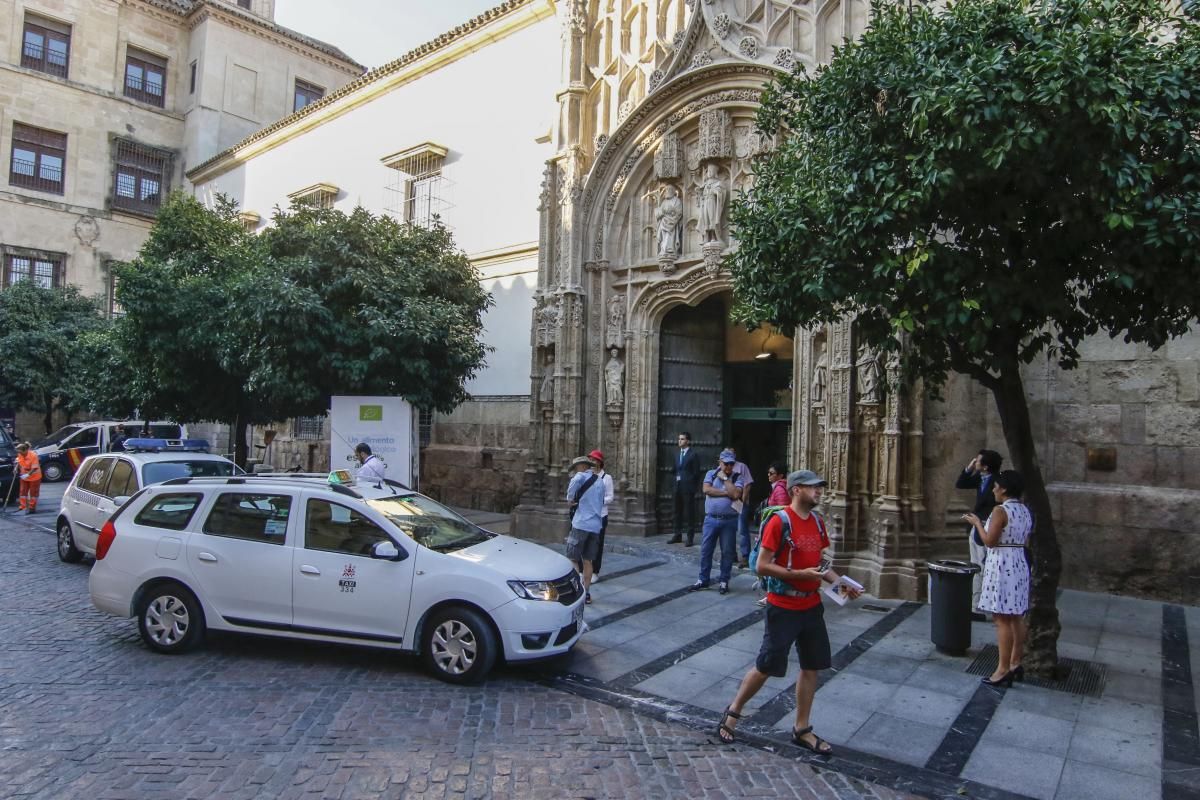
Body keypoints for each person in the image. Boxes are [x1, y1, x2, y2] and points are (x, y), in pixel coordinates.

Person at [716, 469, 861, 751]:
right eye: (813, 487)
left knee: (812, 666)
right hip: (783, 606)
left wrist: (843, 587)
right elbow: (761, 566)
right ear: (796, 490)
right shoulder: (779, 522)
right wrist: (797, 574)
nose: (819, 492)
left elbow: (819, 563)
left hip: (811, 605)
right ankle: (732, 713)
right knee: (766, 665)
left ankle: (801, 728)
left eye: (820, 487)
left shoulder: (817, 522)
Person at [964, 470, 1032, 686]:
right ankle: (1015, 661)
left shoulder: (1000, 510)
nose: (993, 489)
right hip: (1019, 561)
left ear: (1003, 488)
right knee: (1016, 616)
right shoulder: (1024, 510)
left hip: (1002, 563)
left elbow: (989, 541)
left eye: (995, 486)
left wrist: (977, 523)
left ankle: (1002, 669)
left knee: (1001, 617)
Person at [956, 449, 1004, 621]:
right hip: (977, 527)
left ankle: (981, 607)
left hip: (986, 527)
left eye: (978, 461)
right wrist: (969, 468)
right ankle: (977, 605)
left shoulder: (998, 482)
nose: (975, 462)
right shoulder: (980, 477)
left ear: (985, 466)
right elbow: (961, 483)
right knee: (977, 566)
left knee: (982, 567)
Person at [690, 449, 743, 595]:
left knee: (727, 552)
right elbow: (707, 490)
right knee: (706, 550)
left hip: (729, 521)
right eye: (726, 464)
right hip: (711, 520)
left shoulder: (737, 476)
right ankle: (703, 579)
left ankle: (724, 581)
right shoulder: (710, 474)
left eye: (731, 464)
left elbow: (737, 494)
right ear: (719, 462)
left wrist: (726, 480)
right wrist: (727, 493)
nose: (728, 467)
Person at [566, 454, 606, 604]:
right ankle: (587, 593)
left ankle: (576, 591)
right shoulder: (600, 481)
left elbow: (573, 487)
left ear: (582, 466)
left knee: (573, 558)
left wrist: (570, 500)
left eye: (576, 468)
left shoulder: (580, 477)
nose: (576, 471)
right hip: (595, 525)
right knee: (588, 560)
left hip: (581, 523)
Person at [724, 446, 754, 569]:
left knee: (742, 530)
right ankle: (732, 555)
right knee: (729, 529)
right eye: (726, 453)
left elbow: (748, 484)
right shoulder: (722, 468)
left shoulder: (741, 467)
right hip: (727, 503)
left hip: (739, 502)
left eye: (731, 453)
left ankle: (745, 556)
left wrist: (743, 499)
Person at [669, 431, 701, 545]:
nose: (679, 441)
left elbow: (697, 473)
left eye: (682, 439)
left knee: (689, 513)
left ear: (688, 441)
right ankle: (677, 535)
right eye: (679, 439)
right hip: (677, 488)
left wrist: (690, 483)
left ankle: (690, 537)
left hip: (688, 489)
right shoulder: (677, 454)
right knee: (677, 512)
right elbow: (674, 469)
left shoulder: (693, 455)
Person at [588, 449, 615, 577]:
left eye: (593, 460)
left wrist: (599, 501)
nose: (591, 462)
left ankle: (595, 571)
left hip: (601, 515)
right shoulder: (587, 475)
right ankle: (584, 570)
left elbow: (610, 497)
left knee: (598, 543)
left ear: (599, 462)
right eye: (590, 460)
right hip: (588, 515)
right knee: (587, 543)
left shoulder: (607, 478)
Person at [15, 442, 42, 515]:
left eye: (21, 452)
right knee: (22, 492)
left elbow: (35, 468)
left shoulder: (33, 456)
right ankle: (23, 507)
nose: (20, 454)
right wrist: (15, 468)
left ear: (25, 450)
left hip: (35, 477)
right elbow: (18, 462)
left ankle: (32, 507)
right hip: (24, 476)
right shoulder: (20, 454)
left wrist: (27, 474)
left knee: (33, 493)